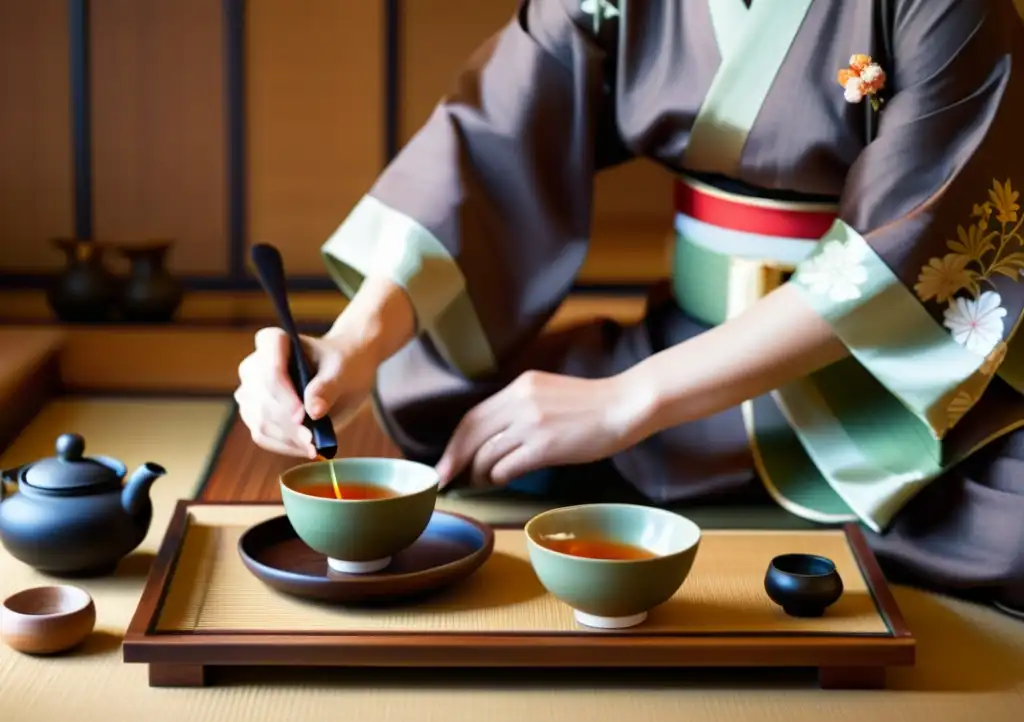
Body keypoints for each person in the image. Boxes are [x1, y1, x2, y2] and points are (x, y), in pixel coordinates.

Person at [235, 0, 1024, 618]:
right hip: (690, 331)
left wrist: (628, 401)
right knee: (434, 399)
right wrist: (351, 343)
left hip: (880, 378)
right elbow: (489, 144)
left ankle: (672, 450)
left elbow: (911, 244)